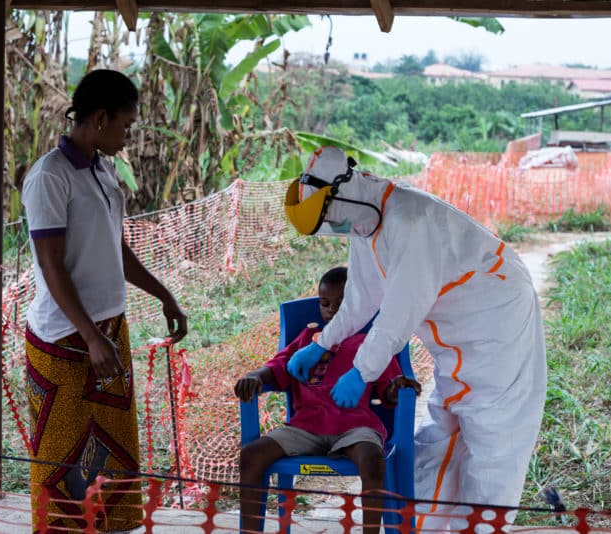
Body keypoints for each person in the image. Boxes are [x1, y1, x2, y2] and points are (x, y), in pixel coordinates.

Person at [283, 146, 547, 531]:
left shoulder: (411, 217)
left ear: (344, 191)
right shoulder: (365, 223)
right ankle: (421, 527)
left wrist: (362, 371)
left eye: (329, 220)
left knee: (492, 440)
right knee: (443, 434)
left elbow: (399, 310)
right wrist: (321, 343)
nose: (333, 230)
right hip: (456, 340)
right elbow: (359, 301)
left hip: (497, 323)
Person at [22, 69, 187, 533]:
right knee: (61, 460)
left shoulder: (103, 169)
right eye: (125, 125)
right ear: (98, 118)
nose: (128, 136)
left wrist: (164, 295)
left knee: (111, 458)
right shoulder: (49, 177)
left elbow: (116, 247)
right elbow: (52, 265)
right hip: (65, 341)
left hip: (107, 333)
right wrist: (91, 337)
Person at [234, 266, 421, 534]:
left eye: (342, 303)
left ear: (359, 303)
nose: (332, 310)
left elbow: (388, 390)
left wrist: (398, 385)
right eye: (325, 303)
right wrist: (255, 376)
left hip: (354, 427)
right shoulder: (308, 341)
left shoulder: (371, 343)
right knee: (251, 455)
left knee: (372, 459)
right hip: (305, 427)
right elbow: (277, 367)